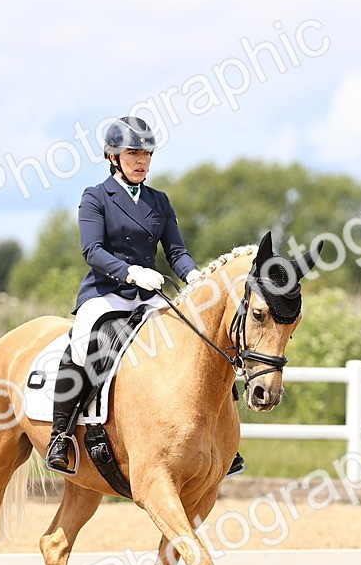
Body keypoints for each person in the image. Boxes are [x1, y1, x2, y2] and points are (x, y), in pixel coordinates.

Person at [45, 116, 245, 478]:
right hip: (106, 294)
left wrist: (195, 277)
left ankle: (226, 443)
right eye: (133, 152)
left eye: (147, 153)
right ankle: (61, 435)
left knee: (203, 344)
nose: (141, 160)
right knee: (84, 345)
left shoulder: (159, 201)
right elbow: (91, 250)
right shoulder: (95, 197)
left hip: (149, 296)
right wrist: (129, 271)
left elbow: (176, 252)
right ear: (113, 156)